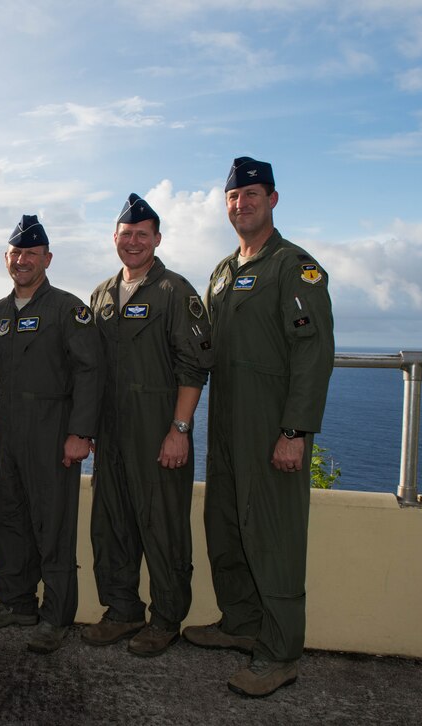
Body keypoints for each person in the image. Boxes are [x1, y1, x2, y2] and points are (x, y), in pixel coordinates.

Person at [185, 157, 334, 697]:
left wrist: (295, 431)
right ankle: (241, 622)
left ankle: (280, 652)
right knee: (225, 523)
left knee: (274, 536)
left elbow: (313, 352)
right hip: (225, 421)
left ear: (273, 200)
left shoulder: (294, 267)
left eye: (251, 194)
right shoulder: (223, 272)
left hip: (272, 425)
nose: (241, 203)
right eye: (233, 196)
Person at [83, 194, 214, 656]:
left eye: (143, 234)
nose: (133, 242)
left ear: (157, 239)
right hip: (112, 432)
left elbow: (194, 367)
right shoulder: (101, 294)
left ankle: (166, 618)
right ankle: (121, 611)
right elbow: (91, 366)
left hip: (159, 430)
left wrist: (179, 430)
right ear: (115, 239)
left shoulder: (174, 291)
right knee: (112, 523)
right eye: (126, 235)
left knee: (162, 525)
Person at [0, 215, 101, 655]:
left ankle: (56, 617)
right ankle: (15, 602)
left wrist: (80, 432)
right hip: (10, 434)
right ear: (6, 259)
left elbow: (90, 371)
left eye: (31, 253)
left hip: (53, 431)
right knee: (7, 521)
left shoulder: (68, 309)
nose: (23, 260)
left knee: (53, 527)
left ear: (47, 258)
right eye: (16, 253)